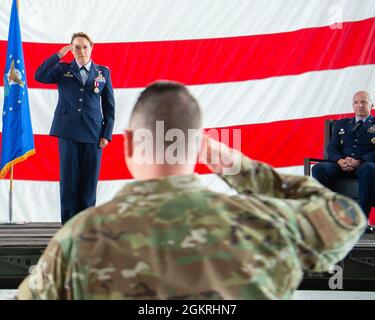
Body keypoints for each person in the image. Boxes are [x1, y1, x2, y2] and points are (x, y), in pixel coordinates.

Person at [17, 81, 365, 300]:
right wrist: (236, 166)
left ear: (129, 146)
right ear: (198, 146)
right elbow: (346, 217)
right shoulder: (267, 225)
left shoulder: (77, 241)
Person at [34, 32, 115, 224]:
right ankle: (68, 228)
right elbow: (39, 76)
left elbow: (109, 107)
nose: (81, 51)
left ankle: (86, 229)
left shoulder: (103, 73)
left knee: (88, 183)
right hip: (68, 132)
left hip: (94, 134)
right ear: (71, 49)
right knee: (69, 183)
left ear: (91, 48)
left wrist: (107, 134)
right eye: (76, 47)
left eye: (84, 47)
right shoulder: (62, 69)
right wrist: (58, 56)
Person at [312, 91, 375, 232]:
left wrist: (360, 161)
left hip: (364, 166)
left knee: (370, 168)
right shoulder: (341, 124)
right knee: (318, 168)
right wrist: (340, 160)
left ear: (371, 104)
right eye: (356, 102)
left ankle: (361, 221)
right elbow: (332, 148)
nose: (360, 105)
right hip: (341, 165)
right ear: (352, 105)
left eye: (364, 102)